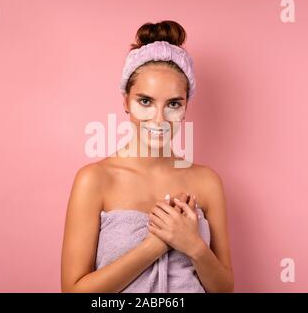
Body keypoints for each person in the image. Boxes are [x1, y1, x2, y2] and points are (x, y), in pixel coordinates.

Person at [61, 20, 234, 293]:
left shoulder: (207, 182)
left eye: (173, 104)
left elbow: (224, 289)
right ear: (126, 102)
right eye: (145, 101)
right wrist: (156, 245)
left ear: (186, 107)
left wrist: (193, 246)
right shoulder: (94, 180)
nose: (159, 119)